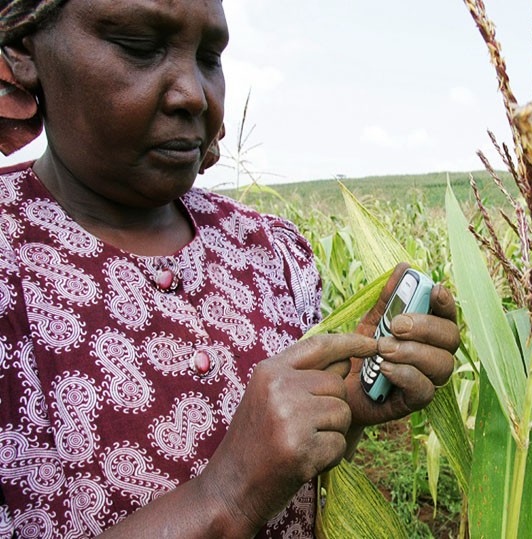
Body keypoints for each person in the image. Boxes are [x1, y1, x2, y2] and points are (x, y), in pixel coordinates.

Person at [0, 0, 460, 537]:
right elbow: (247, 481)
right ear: (22, 51)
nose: (194, 93)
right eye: (139, 47)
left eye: (209, 56)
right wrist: (227, 494)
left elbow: (294, 478)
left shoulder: (271, 250)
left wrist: (348, 405)